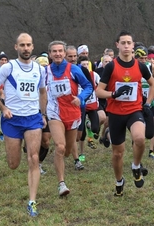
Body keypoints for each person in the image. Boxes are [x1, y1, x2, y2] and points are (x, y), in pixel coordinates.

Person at [0, 33, 47, 217]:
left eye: (29, 45)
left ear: (33, 46)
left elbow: (43, 92)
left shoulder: (40, 69)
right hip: (12, 119)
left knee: (34, 158)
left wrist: (43, 113)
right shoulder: (8, 68)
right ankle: (20, 147)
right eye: (22, 45)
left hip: (32, 119)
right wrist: (3, 108)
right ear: (16, 47)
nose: (26, 48)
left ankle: (32, 201)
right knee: (13, 164)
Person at [96, 30, 154, 196]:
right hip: (115, 113)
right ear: (117, 45)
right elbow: (99, 91)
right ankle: (119, 181)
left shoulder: (140, 66)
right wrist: (112, 94)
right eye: (123, 43)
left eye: (129, 43)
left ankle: (136, 165)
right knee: (117, 153)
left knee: (140, 138)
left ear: (133, 45)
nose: (126, 46)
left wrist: (148, 104)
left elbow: (152, 84)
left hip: (135, 110)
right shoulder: (112, 66)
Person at [46, 41, 93, 196]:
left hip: (72, 112)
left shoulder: (74, 69)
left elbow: (89, 86)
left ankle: (66, 158)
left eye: (60, 51)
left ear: (64, 53)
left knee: (66, 151)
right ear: (50, 54)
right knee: (60, 147)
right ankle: (61, 184)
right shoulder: (45, 72)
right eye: (54, 51)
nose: (58, 54)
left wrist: (81, 97)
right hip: (54, 112)